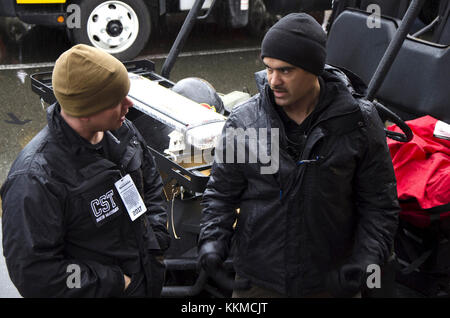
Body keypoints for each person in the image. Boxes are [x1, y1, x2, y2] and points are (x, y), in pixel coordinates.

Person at [198, 13, 400, 297]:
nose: (273, 80)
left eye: (286, 70)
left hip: (331, 283)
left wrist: (367, 260)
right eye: (269, 69)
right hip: (258, 282)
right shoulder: (243, 122)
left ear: (313, 69)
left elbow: (379, 204)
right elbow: (221, 194)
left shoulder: (358, 122)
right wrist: (212, 242)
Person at [1, 44, 170, 297]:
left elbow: (152, 180)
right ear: (86, 112)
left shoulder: (122, 132)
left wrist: (156, 236)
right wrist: (114, 283)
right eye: (116, 100)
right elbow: (36, 276)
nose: (129, 103)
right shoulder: (35, 179)